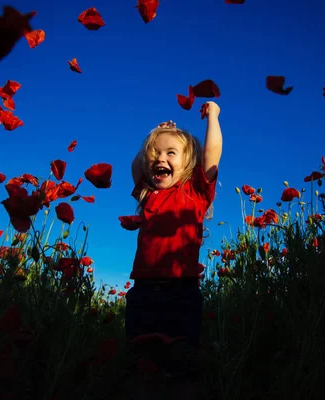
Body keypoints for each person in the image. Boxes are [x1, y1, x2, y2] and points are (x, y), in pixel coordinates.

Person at [124, 101, 222, 399]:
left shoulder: (195, 193)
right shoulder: (148, 194)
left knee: (183, 364)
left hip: (181, 293)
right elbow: (135, 165)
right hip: (142, 293)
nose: (159, 158)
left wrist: (213, 117)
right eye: (155, 153)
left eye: (170, 152)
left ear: (188, 164)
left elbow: (212, 154)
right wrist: (153, 136)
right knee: (141, 364)